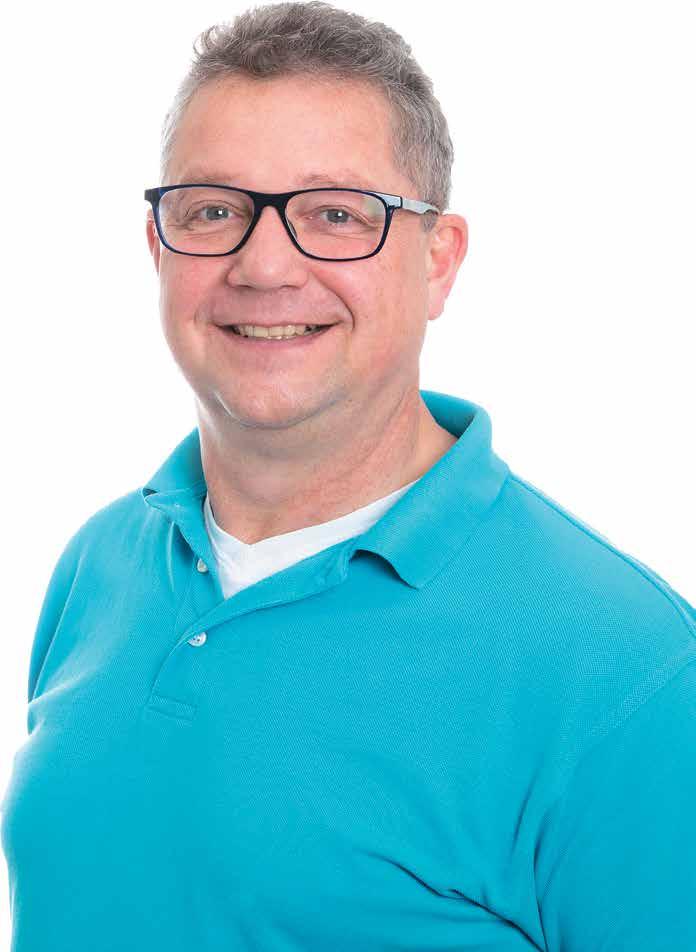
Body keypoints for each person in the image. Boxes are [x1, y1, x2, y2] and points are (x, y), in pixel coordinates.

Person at [1, 2, 695, 950]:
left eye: (335, 214)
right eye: (214, 210)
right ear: (158, 246)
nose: (264, 266)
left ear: (438, 262)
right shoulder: (100, 563)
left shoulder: (629, 669)